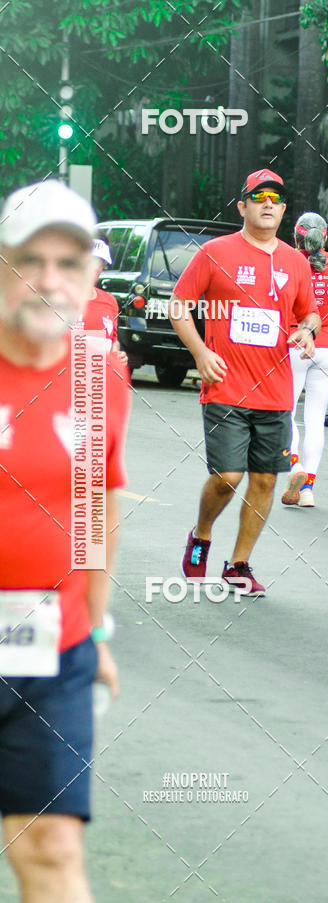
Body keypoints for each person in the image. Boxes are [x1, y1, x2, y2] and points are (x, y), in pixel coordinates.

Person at [0, 180, 130, 902]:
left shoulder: (98, 375)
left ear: (89, 276)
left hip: (52, 648)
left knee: (49, 846)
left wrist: (99, 630)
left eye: (68, 262)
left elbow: (93, 513)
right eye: (29, 260)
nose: (49, 279)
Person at [170, 169, 320, 595]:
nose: (268, 203)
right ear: (243, 206)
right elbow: (179, 306)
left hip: (275, 392)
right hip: (225, 387)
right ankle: (200, 536)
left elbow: (310, 313)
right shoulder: (215, 253)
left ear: (284, 209)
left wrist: (307, 330)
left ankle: (239, 565)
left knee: (266, 480)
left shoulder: (294, 262)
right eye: (259, 197)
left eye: (275, 197)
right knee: (228, 476)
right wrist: (201, 353)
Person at [281, 212, 328, 507]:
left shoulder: (288, 260)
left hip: (296, 340)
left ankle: (294, 464)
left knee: (286, 410)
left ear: (296, 237)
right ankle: (308, 489)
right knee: (315, 418)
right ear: (325, 236)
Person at [73, 233, 129, 367]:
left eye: (99, 261)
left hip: (96, 382)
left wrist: (118, 356)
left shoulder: (110, 301)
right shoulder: (58, 298)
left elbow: (113, 341)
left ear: (103, 265)